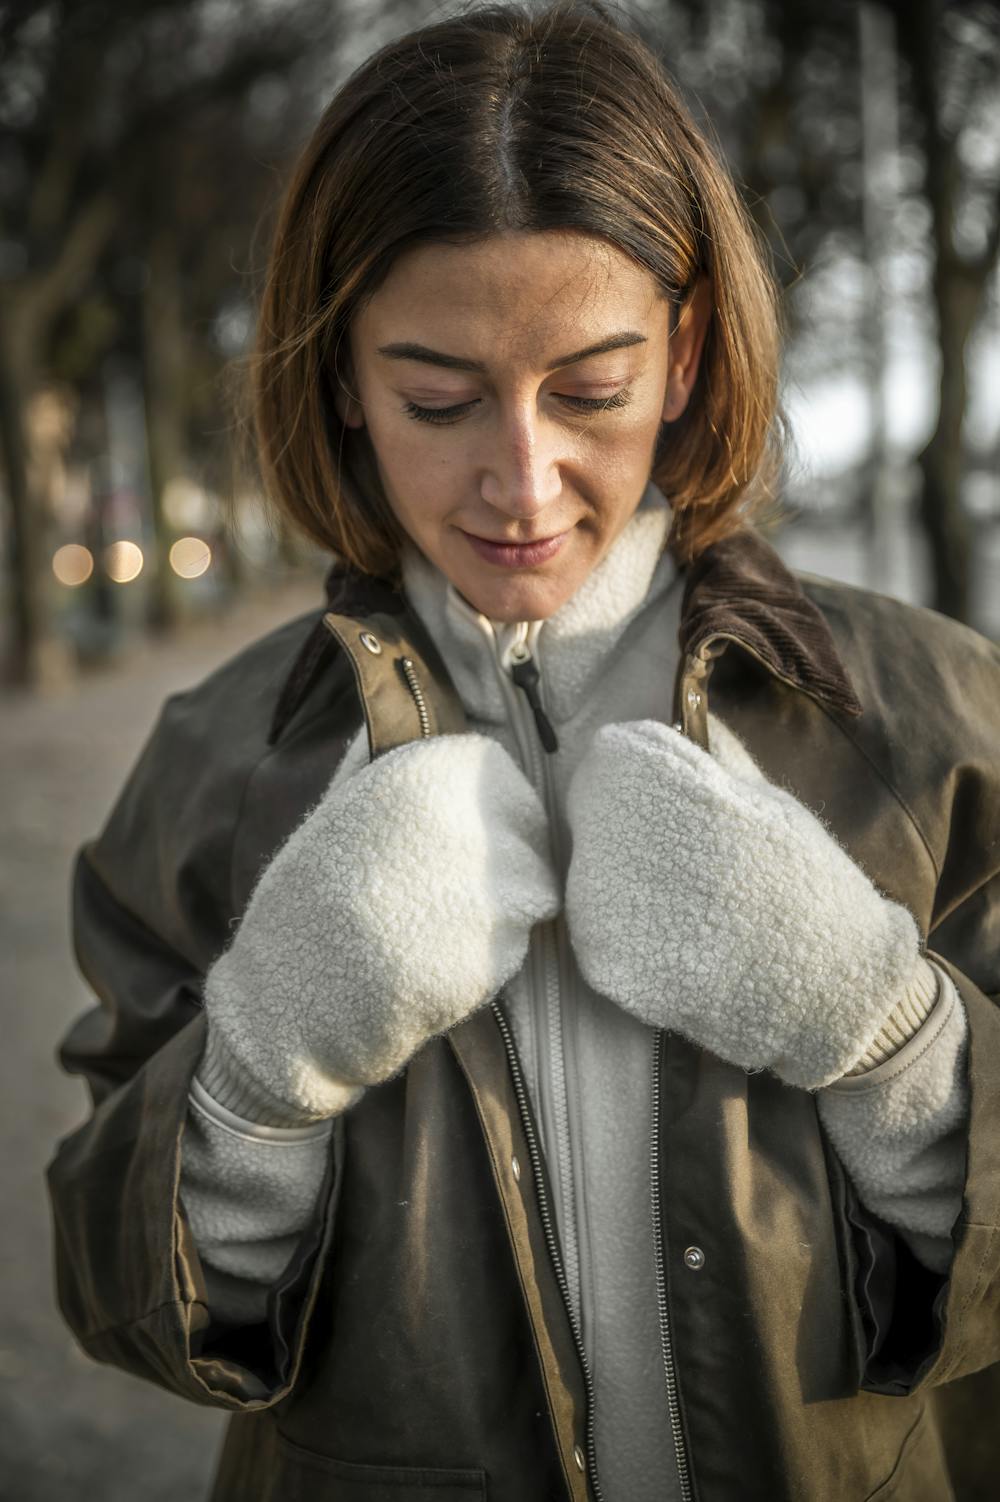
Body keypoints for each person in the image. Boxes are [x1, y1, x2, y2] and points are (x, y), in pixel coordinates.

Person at [46, 3, 1000, 1500]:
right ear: (343, 380)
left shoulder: (942, 716)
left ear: (684, 356)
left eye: (591, 389)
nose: (523, 476)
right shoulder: (212, 762)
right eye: (437, 397)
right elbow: (123, 1298)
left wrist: (884, 1036)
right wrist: (258, 1072)